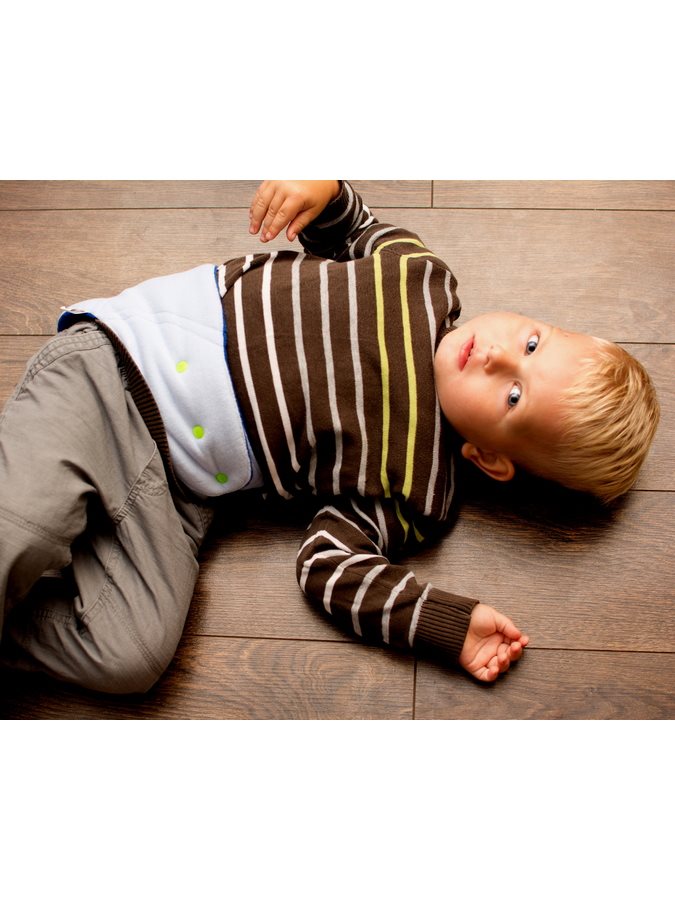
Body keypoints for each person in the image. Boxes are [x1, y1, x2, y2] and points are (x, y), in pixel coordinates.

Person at [0, 181, 660, 693]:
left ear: (489, 458)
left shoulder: (417, 490)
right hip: (117, 370)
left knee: (133, 654)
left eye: (513, 395)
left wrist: (442, 622)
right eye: (532, 341)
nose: (497, 355)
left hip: (174, 492)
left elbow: (328, 565)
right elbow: (349, 225)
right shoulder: (422, 278)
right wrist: (322, 189)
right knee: (22, 533)